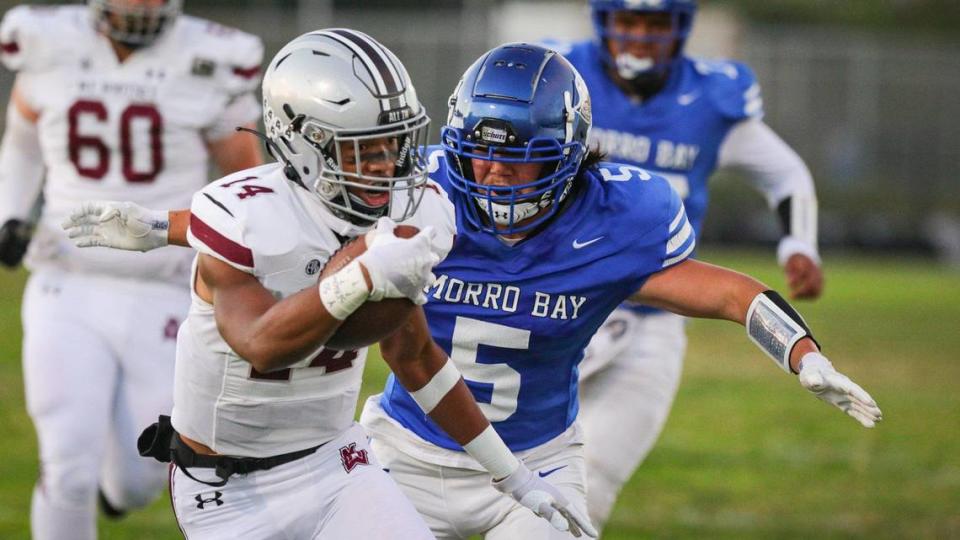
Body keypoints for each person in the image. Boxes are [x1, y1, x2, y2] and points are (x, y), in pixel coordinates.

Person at [68, 44, 880, 540]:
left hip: (539, 457)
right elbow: (276, 216)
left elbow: (728, 292)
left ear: (565, 153)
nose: (491, 173)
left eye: (517, 157)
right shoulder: (416, 193)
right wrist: (152, 224)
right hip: (399, 450)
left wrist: (803, 354)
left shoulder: (618, 218)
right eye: (478, 153)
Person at [67, 30, 594, 539]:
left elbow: (414, 356)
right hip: (225, 487)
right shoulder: (242, 218)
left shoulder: (417, 209)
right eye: (365, 151)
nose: (387, 165)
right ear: (302, 144)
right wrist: (360, 273)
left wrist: (512, 476)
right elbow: (261, 345)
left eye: (396, 142)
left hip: (337, 465)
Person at [541, 0, 827, 528]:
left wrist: (798, 245)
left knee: (588, 485)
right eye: (628, 21)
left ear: (680, 28)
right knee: (465, 465)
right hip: (551, 304)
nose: (640, 36)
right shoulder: (560, 78)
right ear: (605, 22)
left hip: (650, 322)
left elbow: (785, 174)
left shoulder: (710, 100)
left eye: (654, 23)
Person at [0, 1, 263, 538]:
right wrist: (8, 210)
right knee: (67, 466)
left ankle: (114, 493)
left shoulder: (208, 55)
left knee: (142, 479)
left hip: (165, 287)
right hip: (66, 281)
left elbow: (247, 174)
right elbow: (24, 139)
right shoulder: (49, 41)